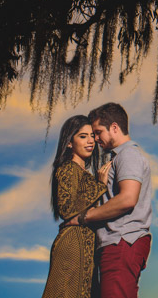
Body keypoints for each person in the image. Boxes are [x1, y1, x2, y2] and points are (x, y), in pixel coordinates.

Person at [63, 102, 153, 298]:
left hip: (121, 241)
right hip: (116, 243)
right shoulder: (118, 158)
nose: (95, 139)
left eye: (98, 132)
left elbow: (128, 198)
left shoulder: (128, 155)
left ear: (114, 128)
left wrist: (83, 218)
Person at [42, 115, 111, 298]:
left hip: (88, 246)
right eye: (82, 136)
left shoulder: (87, 175)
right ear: (69, 142)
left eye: (91, 136)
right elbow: (66, 208)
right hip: (72, 245)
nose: (90, 141)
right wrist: (100, 186)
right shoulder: (66, 169)